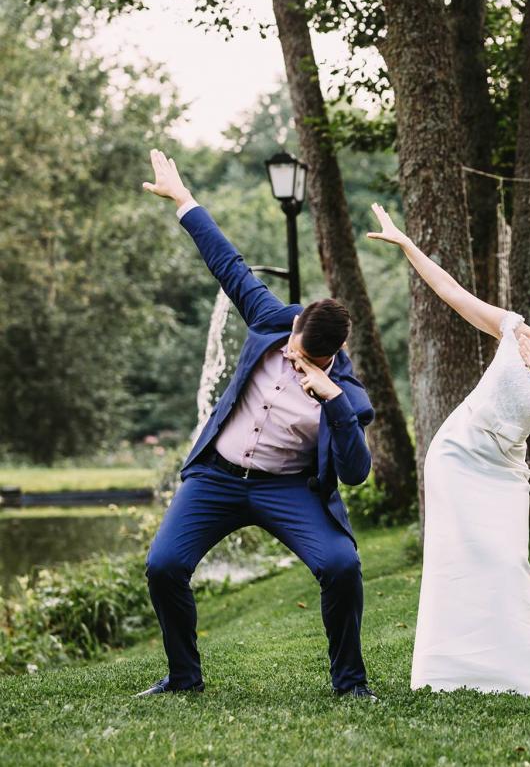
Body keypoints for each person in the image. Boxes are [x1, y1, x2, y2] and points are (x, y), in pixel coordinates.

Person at [138, 150, 377, 699]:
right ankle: (183, 678)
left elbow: (355, 473)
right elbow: (229, 264)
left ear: (333, 354)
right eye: (293, 345)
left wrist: (332, 401)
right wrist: (184, 200)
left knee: (341, 565)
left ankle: (351, 685)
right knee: (163, 565)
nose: (293, 357)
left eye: (306, 358)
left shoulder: (348, 394)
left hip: (288, 489)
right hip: (217, 477)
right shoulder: (274, 321)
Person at [367, 204, 530, 696]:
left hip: (504, 466)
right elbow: (452, 292)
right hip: (458, 450)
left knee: (506, 560)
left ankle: (519, 667)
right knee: (455, 556)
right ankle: (447, 669)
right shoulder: (515, 331)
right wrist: (407, 244)